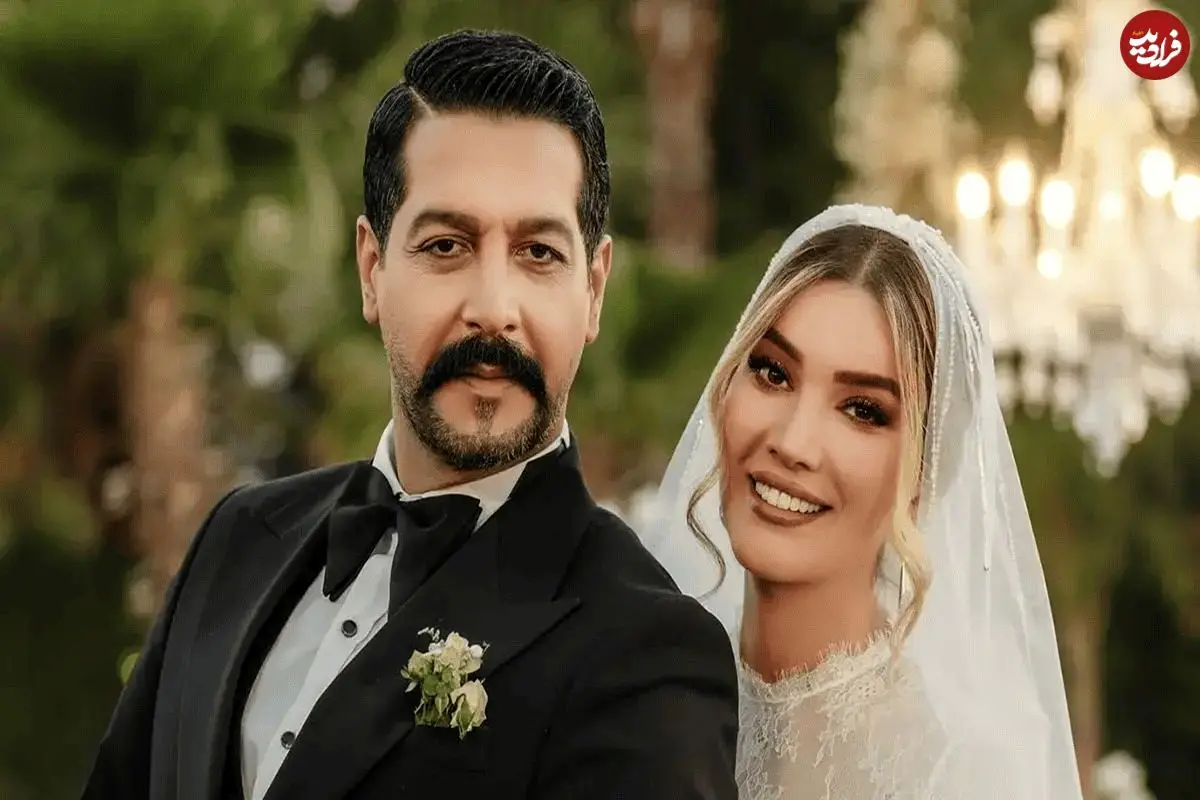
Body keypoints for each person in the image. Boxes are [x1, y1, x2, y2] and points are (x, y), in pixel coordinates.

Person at [81, 29, 739, 800]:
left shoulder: (646, 652)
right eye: (447, 246)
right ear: (372, 270)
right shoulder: (240, 535)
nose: (493, 308)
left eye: (538, 253)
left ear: (593, 290)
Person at [645, 204, 1084, 799]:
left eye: (862, 410)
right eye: (773, 373)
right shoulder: (650, 695)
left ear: (924, 473)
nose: (793, 443)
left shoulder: (961, 774)